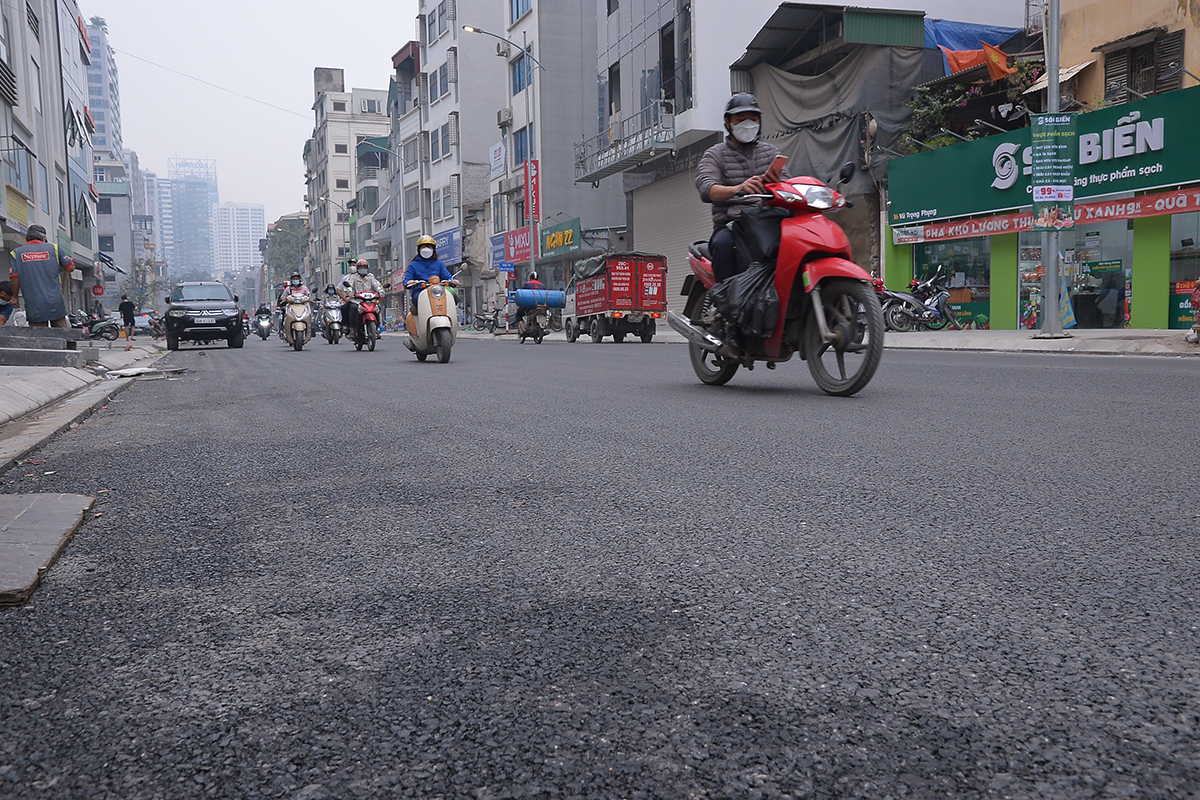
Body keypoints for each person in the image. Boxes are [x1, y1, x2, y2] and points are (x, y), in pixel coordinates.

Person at [695, 93, 786, 284]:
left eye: (753, 119)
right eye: (740, 119)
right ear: (728, 123)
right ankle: (727, 301)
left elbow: (789, 183)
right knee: (722, 245)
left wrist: (776, 183)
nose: (748, 124)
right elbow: (707, 188)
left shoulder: (771, 152)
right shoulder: (715, 154)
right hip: (732, 225)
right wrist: (738, 189)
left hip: (768, 220)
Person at [8, 224, 75, 328]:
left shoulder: (16, 253)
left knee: (39, 336)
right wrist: (68, 261)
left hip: (33, 302)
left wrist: (15, 297)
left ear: (26, 238)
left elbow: (14, 277)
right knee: (62, 334)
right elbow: (70, 268)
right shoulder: (54, 248)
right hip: (55, 301)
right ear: (44, 238)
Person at [403, 236, 456, 313]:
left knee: (452, 294)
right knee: (416, 298)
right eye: (424, 247)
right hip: (420, 291)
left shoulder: (439, 264)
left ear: (433, 249)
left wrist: (453, 281)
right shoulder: (413, 265)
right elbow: (407, 280)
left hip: (438, 291)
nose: (426, 249)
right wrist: (408, 282)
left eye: (429, 247)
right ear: (419, 249)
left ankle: (451, 314)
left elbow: (447, 277)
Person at [342, 259, 385, 335]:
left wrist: (381, 292)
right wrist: (350, 293)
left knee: (377, 308)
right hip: (357, 301)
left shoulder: (371, 277)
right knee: (353, 308)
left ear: (367, 268)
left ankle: (377, 327)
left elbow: (377, 285)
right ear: (357, 268)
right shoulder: (353, 277)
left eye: (364, 267)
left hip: (370, 301)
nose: (362, 269)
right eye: (361, 267)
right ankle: (352, 328)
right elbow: (349, 286)